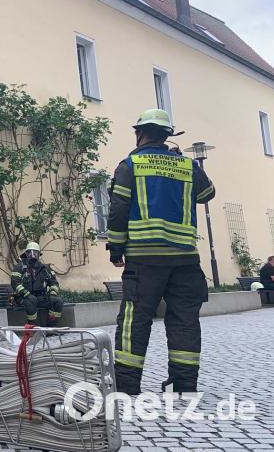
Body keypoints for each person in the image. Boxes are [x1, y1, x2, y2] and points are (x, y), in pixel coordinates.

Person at [106, 108, 215, 395]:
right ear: (167, 135)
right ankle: (185, 384)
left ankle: (128, 386)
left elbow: (118, 210)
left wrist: (116, 248)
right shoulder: (188, 166)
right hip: (185, 259)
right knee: (184, 320)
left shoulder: (130, 165)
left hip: (145, 259)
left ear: (139, 133)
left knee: (135, 319)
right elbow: (207, 194)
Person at [11, 242, 63, 325]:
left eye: (35, 253)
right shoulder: (20, 267)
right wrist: (27, 294)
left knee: (58, 302)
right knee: (30, 304)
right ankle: (34, 328)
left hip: (40, 297)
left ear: (39, 254)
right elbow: (15, 283)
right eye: (30, 252)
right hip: (23, 297)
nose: (33, 255)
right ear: (26, 254)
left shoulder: (44, 268)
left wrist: (53, 294)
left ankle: (51, 328)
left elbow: (54, 283)